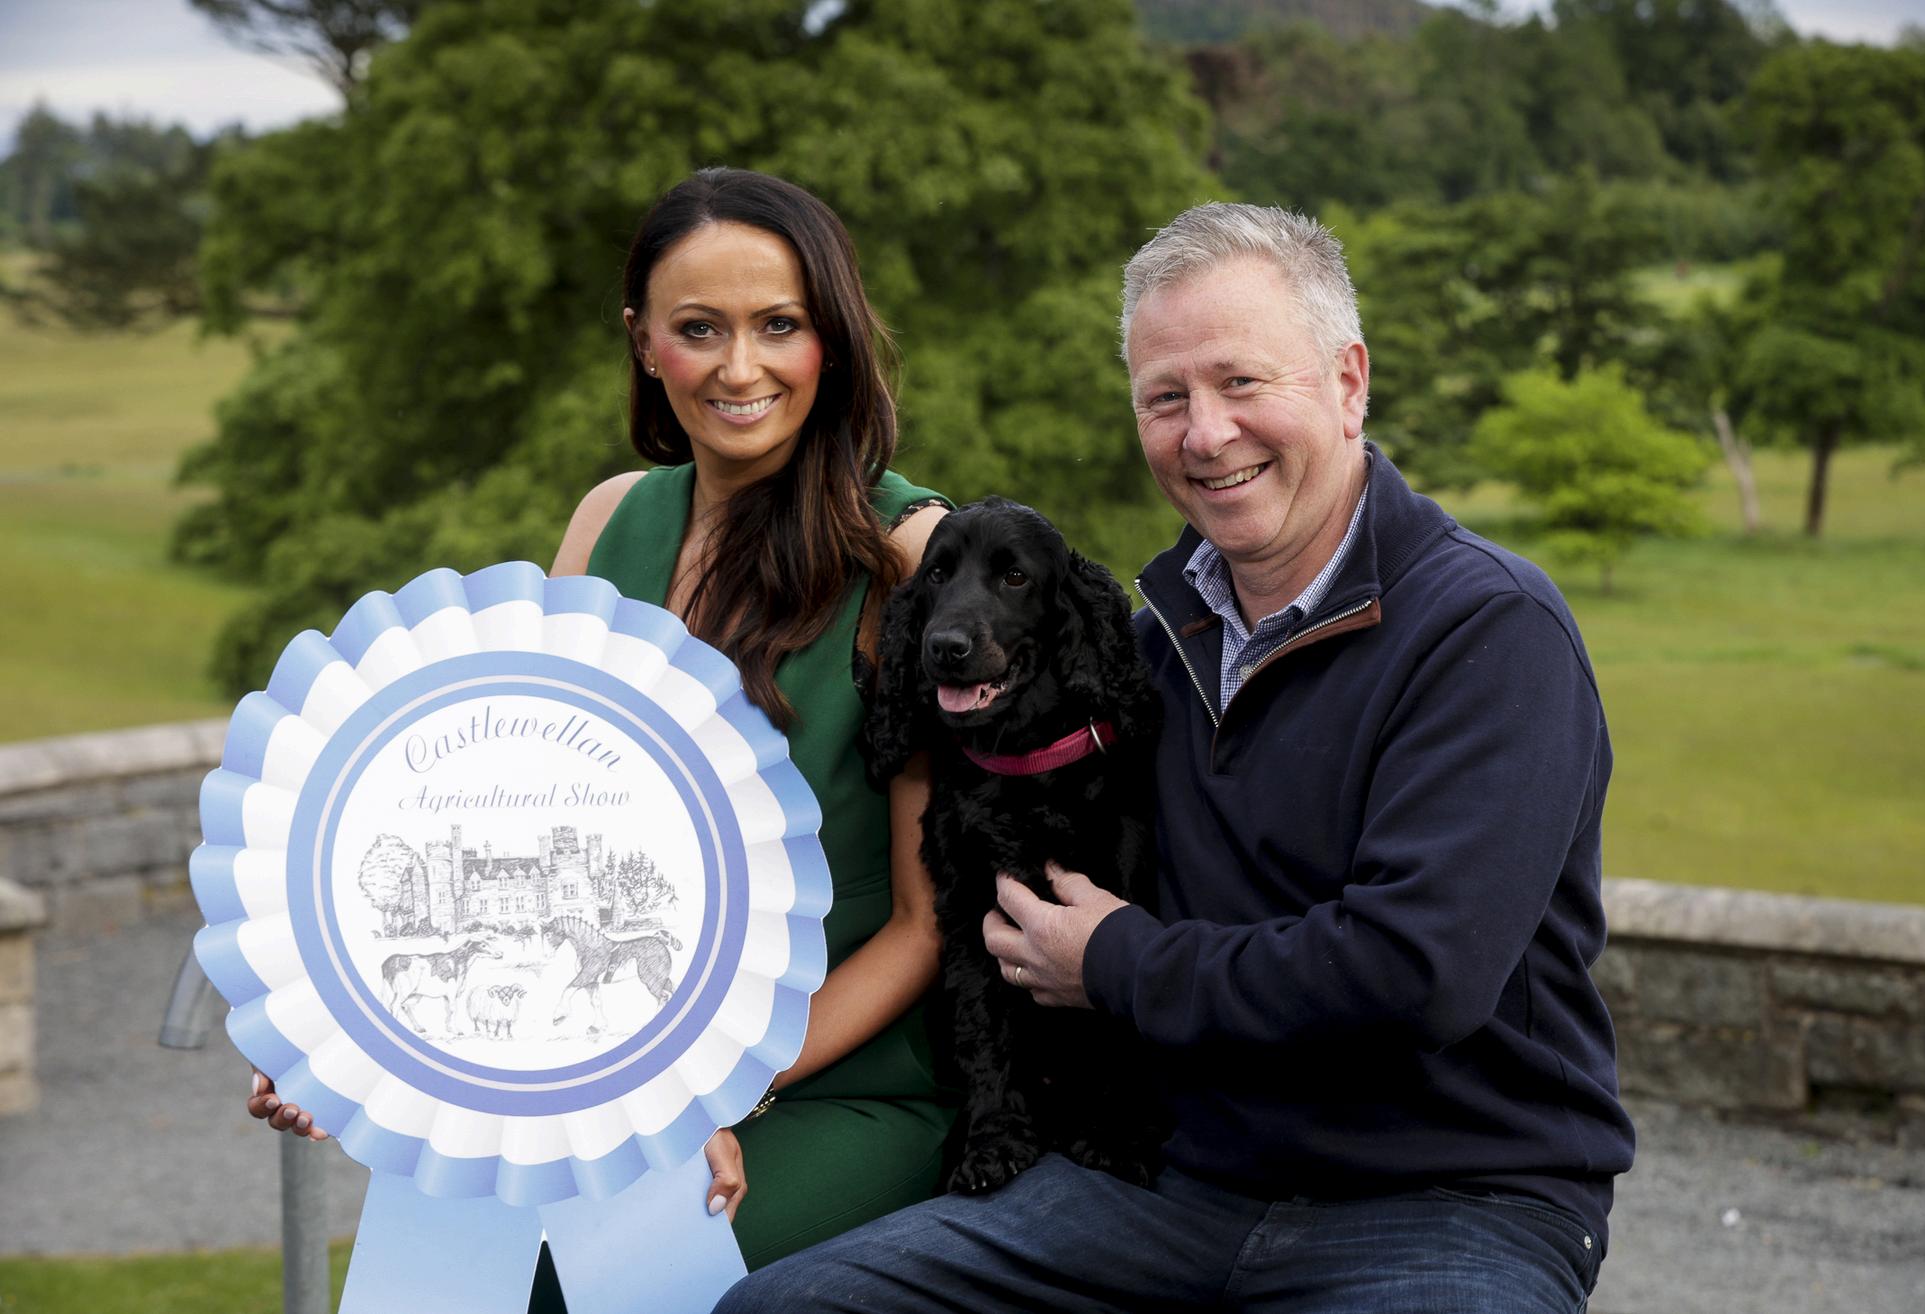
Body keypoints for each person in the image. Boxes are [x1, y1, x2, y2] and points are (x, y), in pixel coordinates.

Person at [714, 202, 1635, 1313]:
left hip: (1451, 1198)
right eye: (1166, 398)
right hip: (1166, 1181)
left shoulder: (1488, 632)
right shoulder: (1146, 649)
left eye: (1242, 383)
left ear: (1348, 382)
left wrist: (1117, 962)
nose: (1206, 433)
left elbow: (1416, 975)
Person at [250, 168, 958, 1294]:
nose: (740, 367)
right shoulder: (607, 518)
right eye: (699, 328)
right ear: (642, 343)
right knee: (445, 1281)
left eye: (779, 325)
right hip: (607, 1079)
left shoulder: (909, 556)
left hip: (835, 1081)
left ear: (833, 337)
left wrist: (709, 1095)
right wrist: (356, 1051)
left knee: (587, 1292)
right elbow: (524, 828)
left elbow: (924, 925)